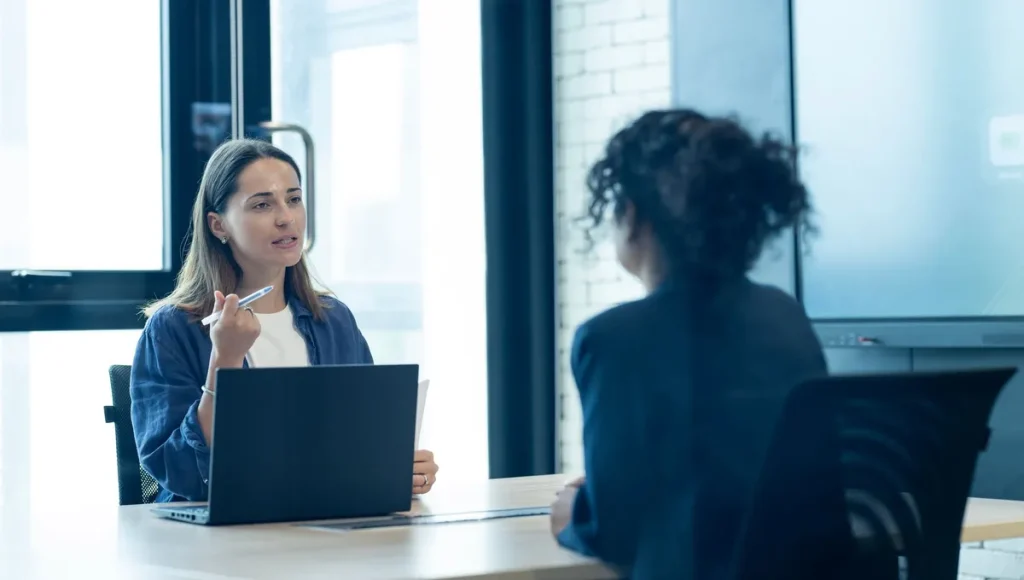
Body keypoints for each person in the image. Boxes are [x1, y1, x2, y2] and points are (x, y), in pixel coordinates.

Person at [549, 109, 828, 577]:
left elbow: (613, 532)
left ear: (635, 217)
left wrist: (572, 515)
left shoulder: (612, 339)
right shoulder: (785, 317)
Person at [130, 138, 439, 503]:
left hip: (322, 528)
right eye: (262, 204)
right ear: (218, 226)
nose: (286, 217)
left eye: (294, 199)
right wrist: (224, 360)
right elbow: (178, 473)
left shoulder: (334, 321)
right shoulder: (174, 329)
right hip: (218, 540)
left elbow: (360, 446)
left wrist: (397, 470)